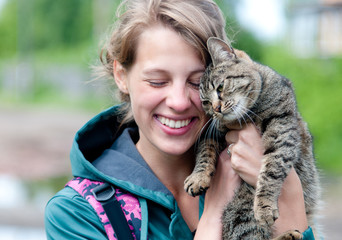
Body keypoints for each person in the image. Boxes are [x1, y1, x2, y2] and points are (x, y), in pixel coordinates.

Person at [45, 0, 315, 239]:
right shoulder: (76, 213)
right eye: (157, 81)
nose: (179, 102)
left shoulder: (260, 159)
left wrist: (288, 193)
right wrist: (213, 215)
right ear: (121, 75)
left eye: (197, 83)